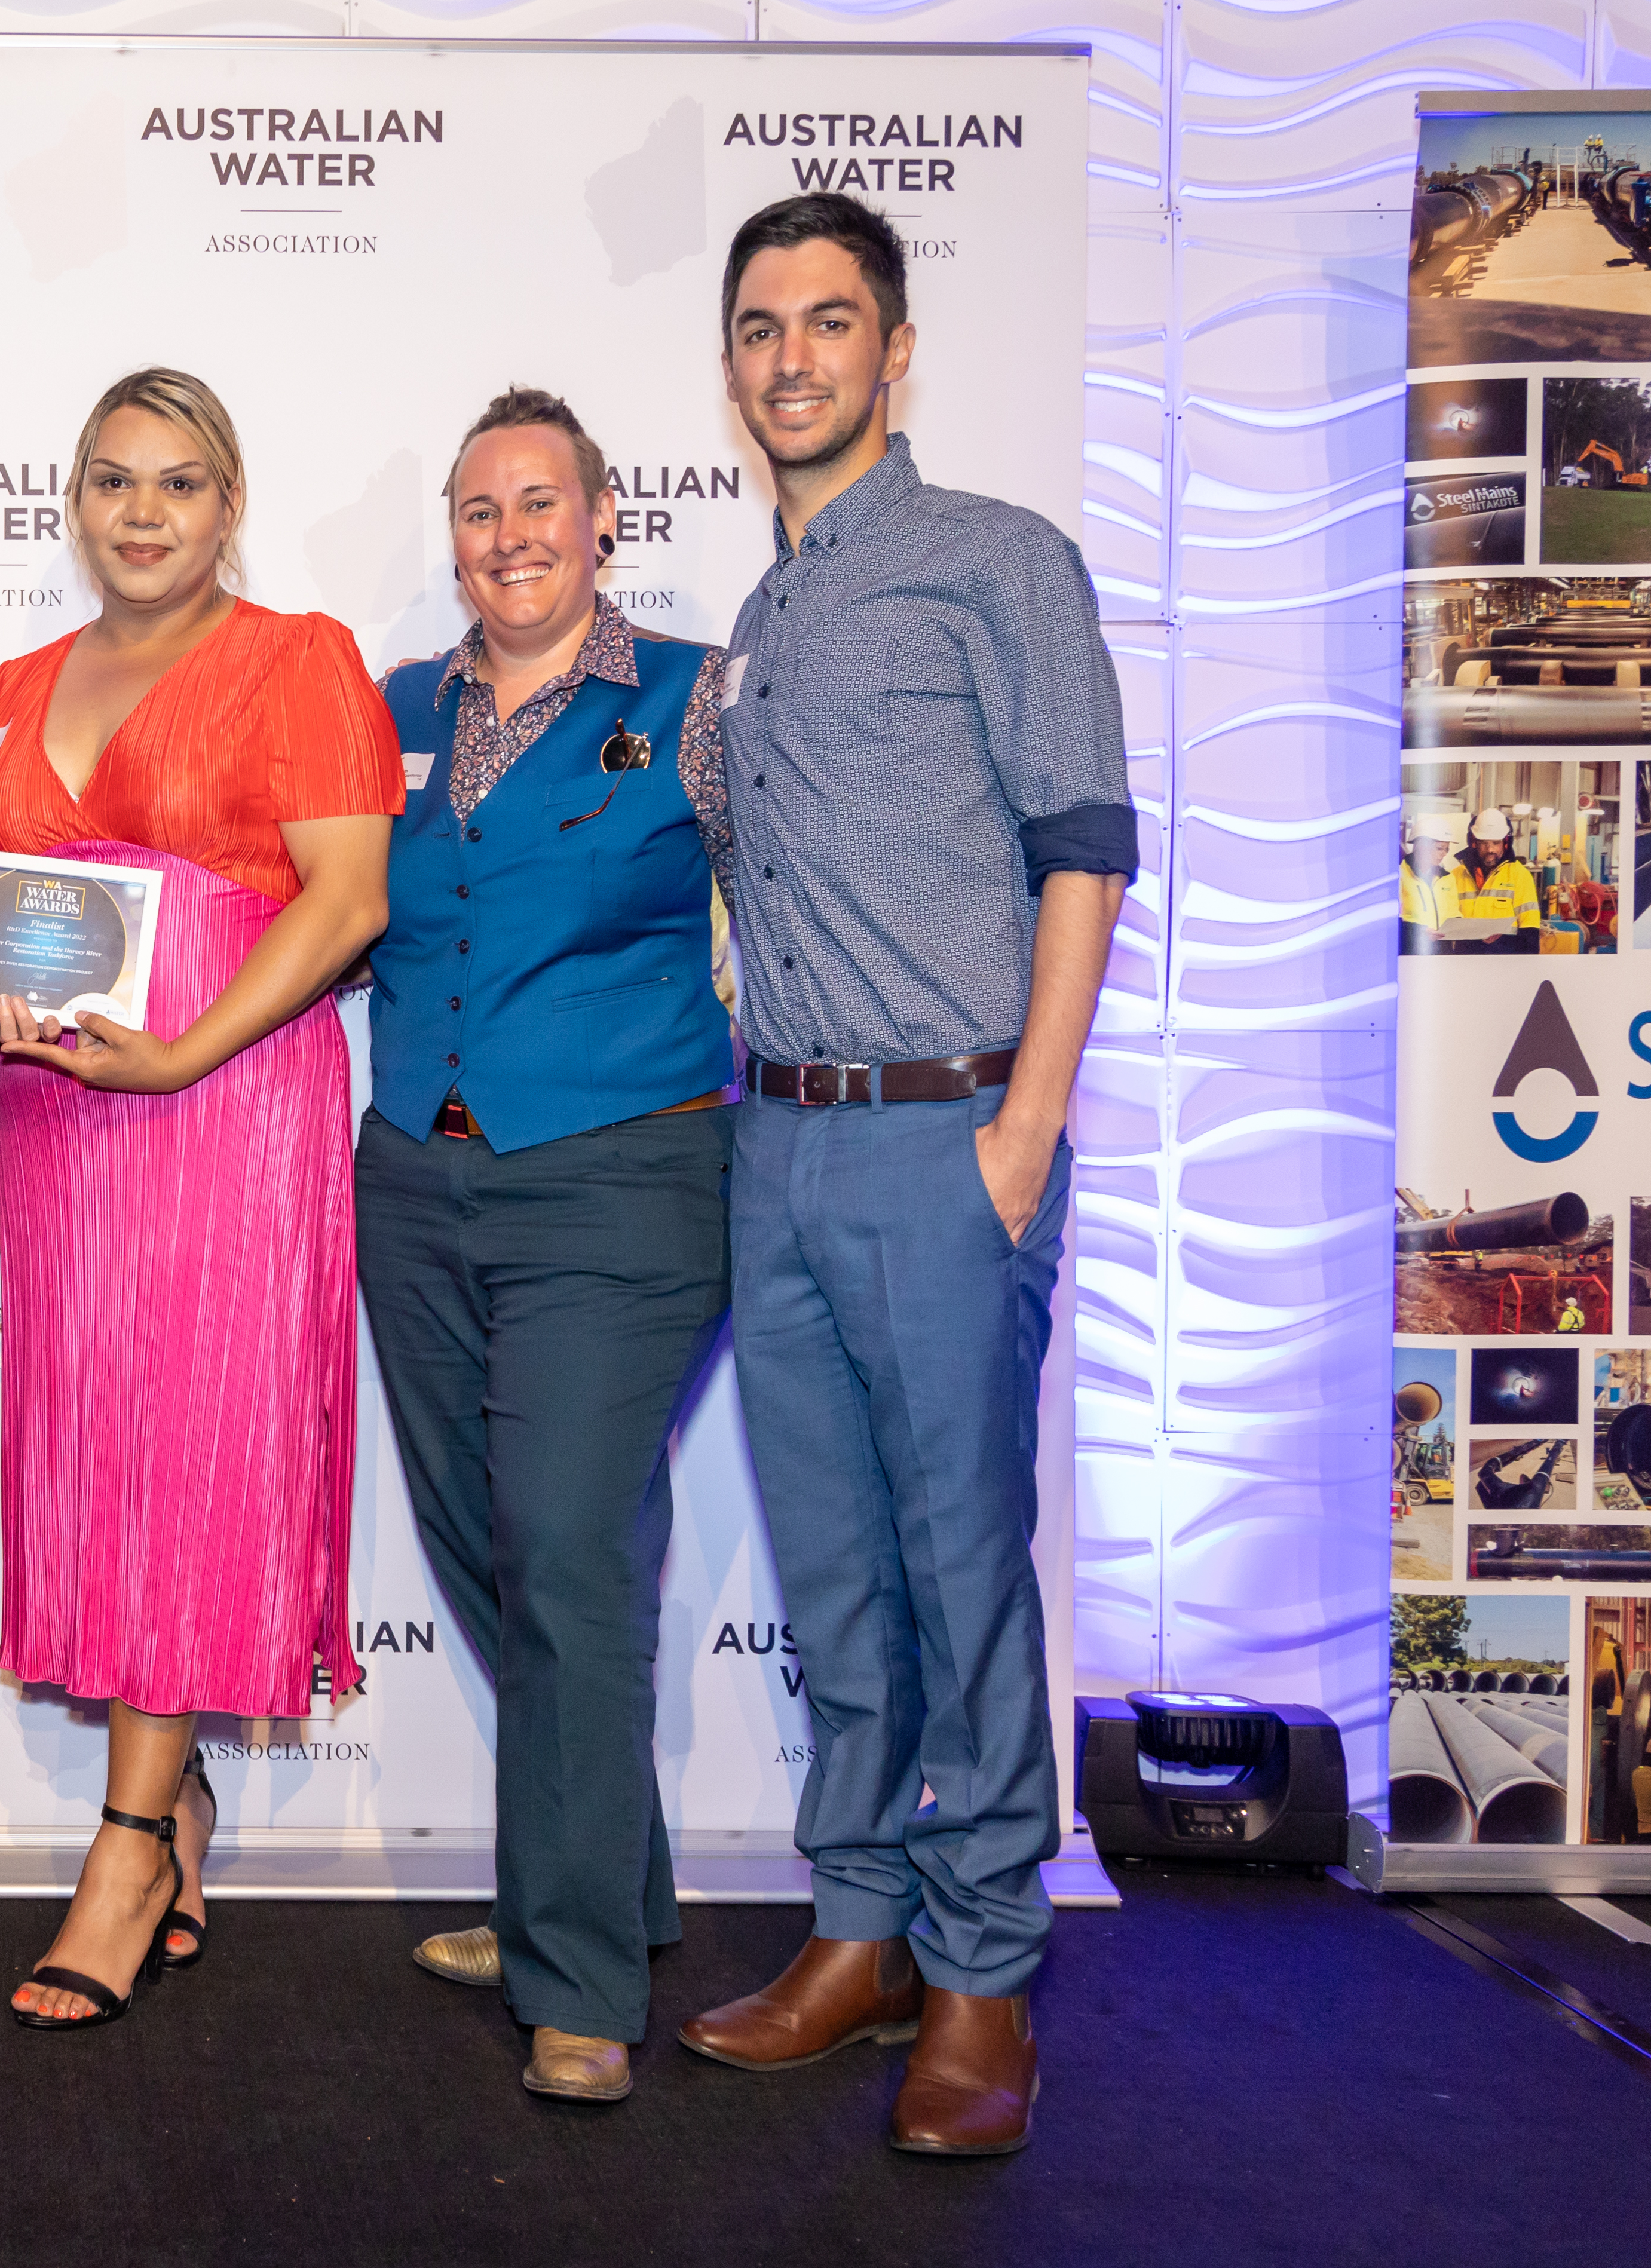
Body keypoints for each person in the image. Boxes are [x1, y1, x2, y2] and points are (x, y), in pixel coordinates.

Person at [673, 194, 1134, 2157]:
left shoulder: (997, 563)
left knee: (959, 1571)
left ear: (895, 348)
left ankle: (983, 1971)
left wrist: (1024, 1122)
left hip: (946, 1133)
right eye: (762, 327)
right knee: (832, 1572)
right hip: (769, 1138)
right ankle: (853, 1925)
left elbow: (1085, 847)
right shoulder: (758, 621)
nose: (794, 358)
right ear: (732, 364)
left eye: (830, 322)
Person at [0, 368, 399, 2030]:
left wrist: (180, 1052)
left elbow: (346, 900)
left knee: (186, 1463)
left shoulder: (299, 658)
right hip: (63, 1133)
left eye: (177, 483)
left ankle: (129, 1842)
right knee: (104, 1456)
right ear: (70, 502)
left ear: (228, 505)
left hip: (221, 1102)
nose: (139, 513)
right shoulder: (10, 685)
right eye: (108, 481)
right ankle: (177, 1800)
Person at [357, 387, 737, 2106]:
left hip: (619, 1183)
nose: (504, 536)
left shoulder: (695, 698)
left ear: (602, 522)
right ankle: (607, 1883)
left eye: (537, 504)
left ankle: (571, 1972)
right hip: (414, 1190)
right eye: (474, 509)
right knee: (493, 1550)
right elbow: (298, 907)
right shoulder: (386, 714)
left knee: (568, 1545)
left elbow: (799, 900)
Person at [1445, 806, 1543, 952]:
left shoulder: (1519, 875)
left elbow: (1530, 926)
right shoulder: (1456, 876)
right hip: (1465, 957)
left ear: (1505, 843)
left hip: (1506, 957)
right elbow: (1446, 919)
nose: (1490, 849)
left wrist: (1527, 968)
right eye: (1484, 843)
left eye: (1496, 843)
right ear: (1474, 843)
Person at [1400, 811, 1461, 953]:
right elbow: (1389, 923)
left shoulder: (1447, 878)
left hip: (1442, 951)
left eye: (1446, 849)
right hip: (1410, 950)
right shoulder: (1399, 876)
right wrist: (1419, 931)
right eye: (1440, 848)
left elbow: (1453, 914)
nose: (1444, 854)